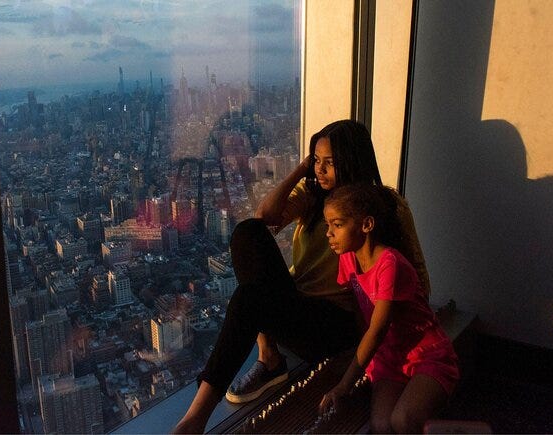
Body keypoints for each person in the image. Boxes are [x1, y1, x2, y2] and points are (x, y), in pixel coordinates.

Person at [173, 120, 428, 434]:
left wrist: (390, 328)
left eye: (329, 163)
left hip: (337, 323)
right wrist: (303, 168)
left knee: (249, 298)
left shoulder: (387, 208)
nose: (320, 170)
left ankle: (194, 420)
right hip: (298, 307)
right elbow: (265, 218)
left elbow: (417, 278)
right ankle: (268, 356)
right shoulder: (315, 195)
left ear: (352, 161)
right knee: (247, 232)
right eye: (317, 161)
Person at [320, 184, 459, 433]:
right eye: (327, 225)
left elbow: (377, 329)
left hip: (427, 354)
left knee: (402, 421)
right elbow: (360, 314)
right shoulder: (347, 259)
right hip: (390, 358)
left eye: (337, 225)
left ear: (367, 225)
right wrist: (365, 364)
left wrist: (345, 384)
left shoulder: (389, 265)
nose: (329, 233)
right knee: (382, 425)